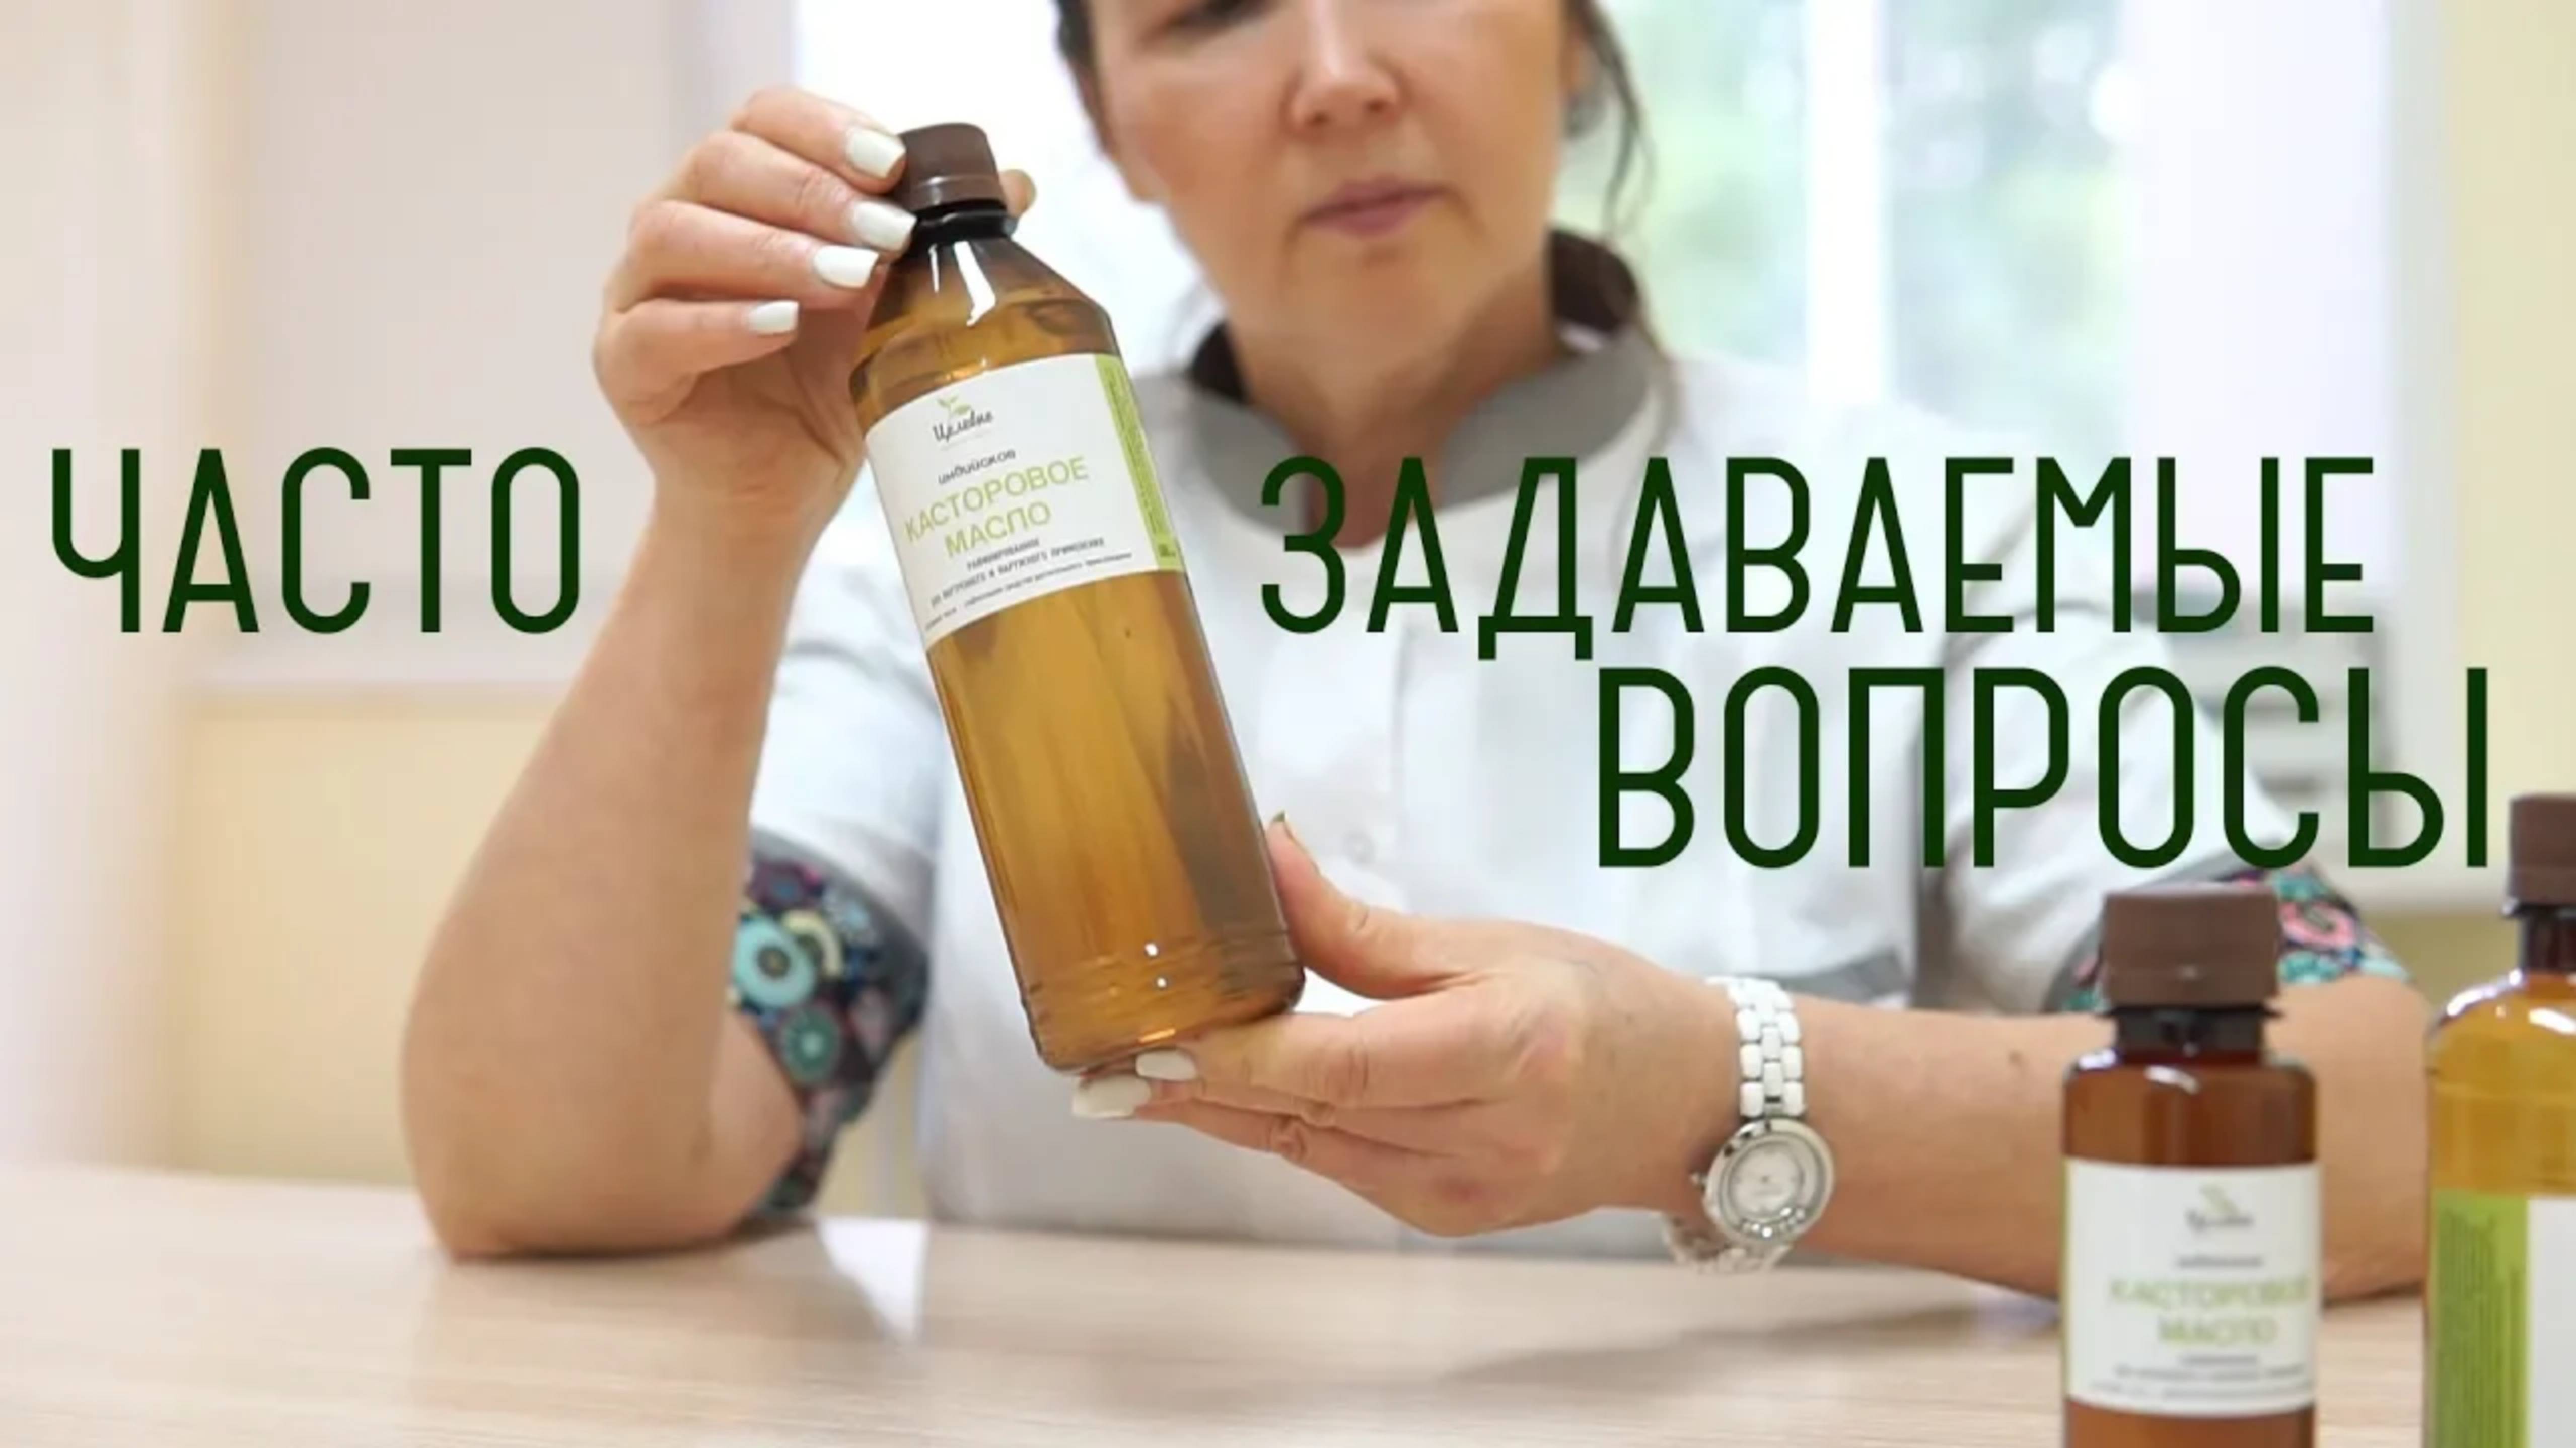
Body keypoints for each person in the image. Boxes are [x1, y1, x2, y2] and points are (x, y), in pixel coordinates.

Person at [399, 0, 2427, 1298]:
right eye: (1212, 6)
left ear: (1577, 40)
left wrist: (1708, 1089)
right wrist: (727, 520)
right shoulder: (951, 540)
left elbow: (2369, 1126)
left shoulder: (1938, 525)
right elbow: (547, 1177)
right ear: (1105, 124)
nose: (1338, 70)